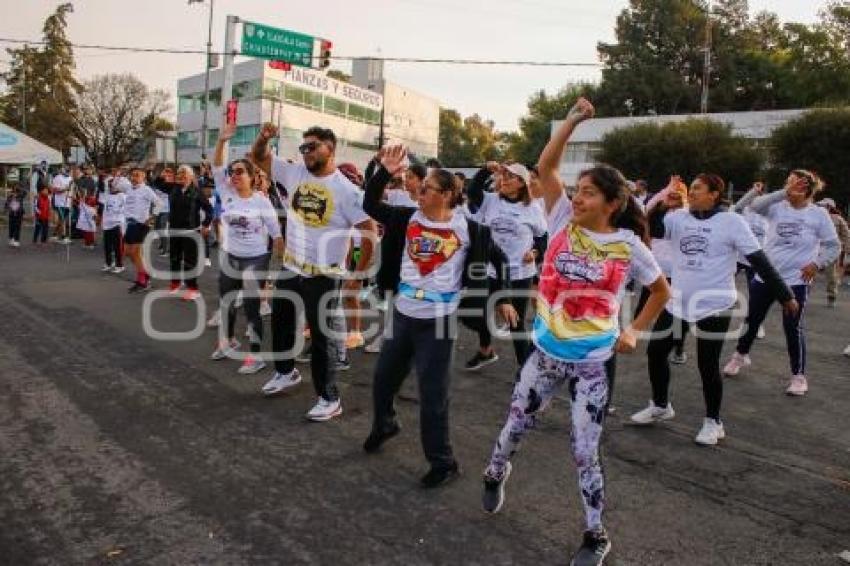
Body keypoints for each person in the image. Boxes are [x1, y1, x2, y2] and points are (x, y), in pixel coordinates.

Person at [481, 99, 670, 566]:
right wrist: (572, 121)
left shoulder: (627, 246)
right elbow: (546, 165)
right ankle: (495, 472)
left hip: (592, 362)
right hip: (544, 354)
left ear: (612, 204)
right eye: (578, 189)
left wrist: (634, 333)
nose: (578, 197)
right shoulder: (561, 218)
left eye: (589, 192)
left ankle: (595, 534)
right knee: (513, 428)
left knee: (585, 450)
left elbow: (661, 292)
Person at [361, 145, 515, 488]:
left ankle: (443, 463)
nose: (417, 190)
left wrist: (503, 297)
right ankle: (385, 424)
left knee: (432, 396)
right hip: (402, 315)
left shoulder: (471, 230)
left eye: (426, 188)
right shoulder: (405, 218)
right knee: (383, 380)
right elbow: (369, 205)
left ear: (446, 195)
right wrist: (383, 171)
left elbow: (501, 260)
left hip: (439, 321)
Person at [630, 174, 796, 445]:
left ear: (713, 195)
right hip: (678, 302)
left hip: (715, 305)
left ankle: (713, 422)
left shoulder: (732, 222)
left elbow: (758, 259)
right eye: (691, 189)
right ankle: (660, 405)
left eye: (697, 189)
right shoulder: (678, 218)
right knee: (655, 351)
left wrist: (785, 294)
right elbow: (654, 229)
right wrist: (662, 205)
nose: (691, 193)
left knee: (707, 365)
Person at [250, 124, 377, 422]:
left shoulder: (348, 192)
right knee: (280, 323)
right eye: (303, 147)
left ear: (330, 149)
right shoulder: (294, 173)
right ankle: (285, 372)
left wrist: (356, 277)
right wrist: (264, 138)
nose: (306, 152)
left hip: (325, 275)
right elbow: (258, 157)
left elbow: (369, 233)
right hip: (292, 266)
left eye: (313, 146)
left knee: (323, 338)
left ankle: (329, 397)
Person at [723, 171, 840, 396]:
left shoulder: (818, 215)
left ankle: (798, 376)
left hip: (796, 281)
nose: (787, 186)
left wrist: (817, 263)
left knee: (792, 327)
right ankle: (740, 355)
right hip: (767, 276)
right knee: (753, 319)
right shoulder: (778, 206)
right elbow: (755, 206)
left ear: (805, 188)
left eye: (792, 183)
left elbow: (832, 245)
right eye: (787, 182)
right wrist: (784, 192)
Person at [209, 124, 284, 374]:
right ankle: (228, 341)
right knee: (226, 303)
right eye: (233, 172)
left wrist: (278, 267)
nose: (235, 175)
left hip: (256, 259)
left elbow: (276, 235)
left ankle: (255, 355)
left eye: (240, 171)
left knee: (252, 308)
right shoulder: (226, 192)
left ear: (252, 176)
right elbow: (217, 166)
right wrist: (221, 141)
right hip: (231, 257)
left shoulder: (261, 202)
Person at [464, 160, 547, 370]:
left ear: (522, 183)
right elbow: (473, 190)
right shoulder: (491, 200)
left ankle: (525, 369)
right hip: (491, 270)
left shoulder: (533, 209)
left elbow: (542, 237)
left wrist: (536, 252)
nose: (504, 180)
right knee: (482, 312)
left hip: (519, 273)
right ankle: (485, 351)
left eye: (510, 177)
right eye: (504, 175)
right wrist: (485, 170)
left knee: (515, 323)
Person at [154, 165, 213, 301]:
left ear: (191, 177)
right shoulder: (173, 187)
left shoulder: (197, 192)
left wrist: (205, 224)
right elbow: (157, 184)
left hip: (191, 231)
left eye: (184, 173)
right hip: (175, 229)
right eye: (179, 173)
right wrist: (162, 175)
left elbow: (209, 209)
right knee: (174, 258)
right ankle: (175, 283)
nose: (181, 175)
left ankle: (193, 289)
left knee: (189, 262)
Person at [124, 166, 163, 293]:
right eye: (133, 175)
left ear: (143, 177)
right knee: (128, 252)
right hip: (129, 224)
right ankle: (145, 274)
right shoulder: (129, 189)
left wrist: (152, 217)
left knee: (135, 253)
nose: (134, 177)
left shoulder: (146, 190)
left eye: (137, 175)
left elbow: (159, 203)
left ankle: (142, 281)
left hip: (141, 224)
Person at [816, 198, 849, 306]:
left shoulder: (838, 219)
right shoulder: (816, 218)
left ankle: (832, 296)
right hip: (815, 250)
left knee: (831, 274)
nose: (821, 207)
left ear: (829, 207)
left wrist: (848, 249)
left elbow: (846, 235)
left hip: (832, 250)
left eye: (823, 205)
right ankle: (799, 293)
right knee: (806, 273)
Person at [101, 177, 127, 273]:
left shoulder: (123, 196)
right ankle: (108, 263)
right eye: (110, 185)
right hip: (107, 224)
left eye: (114, 185)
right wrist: (102, 221)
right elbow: (104, 210)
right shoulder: (107, 196)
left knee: (117, 246)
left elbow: (125, 210)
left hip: (117, 224)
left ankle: (119, 265)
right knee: (107, 245)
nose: (112, 187)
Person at [50, 168, 72, 244]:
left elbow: (72, 190)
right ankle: (64, 236)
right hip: (59, 202)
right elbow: (54, 190)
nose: (68, 172)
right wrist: (65, 189)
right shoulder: (57, 178)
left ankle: (54, 234)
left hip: (68, 202)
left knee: (61, 219)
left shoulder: (70, 178)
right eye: (67, 171)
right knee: (62, 219)